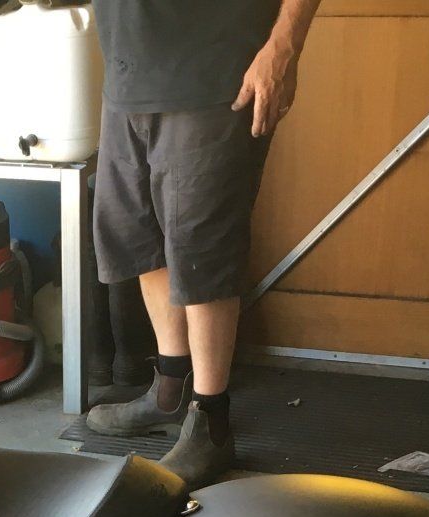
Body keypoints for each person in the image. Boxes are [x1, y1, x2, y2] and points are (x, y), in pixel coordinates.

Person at [87, 0, 321, 486]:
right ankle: (169, 392)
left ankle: (211, 422)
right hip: (127, 76)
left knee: (202, 252)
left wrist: (283, 47)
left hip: (215, 78)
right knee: (140, 238)